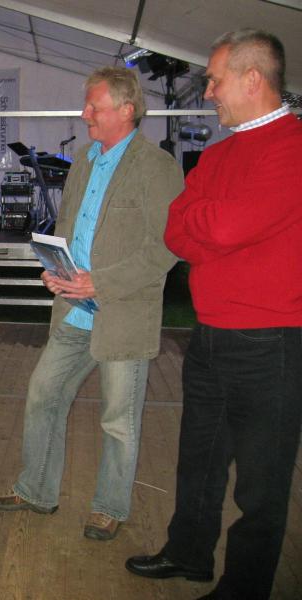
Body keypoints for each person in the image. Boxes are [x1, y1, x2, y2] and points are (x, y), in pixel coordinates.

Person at [126, 30, 302, 600]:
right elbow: (175, 230)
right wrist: (212, 223)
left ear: (252, 80)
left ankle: (244, 587)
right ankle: (188, 553)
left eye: (214, 81)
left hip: (271, 341)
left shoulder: (293, 147)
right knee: (197, 460)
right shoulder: (220, 154)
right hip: (209, 336)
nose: (207, 93)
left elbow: (220, 227)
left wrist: (209, 222)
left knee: (261, 484)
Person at [0, 67, 184, 540]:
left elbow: (166, 247)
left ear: (126, 110)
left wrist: (101, 282)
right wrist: (57, 268)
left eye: (94, 106)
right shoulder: (83, 159)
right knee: (43, 394)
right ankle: (36, 489)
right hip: (75, 310)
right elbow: (69, 228)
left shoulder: (156, 167)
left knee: (118, 420)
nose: (85, 113)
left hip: (124, 313)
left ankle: (109, 506)